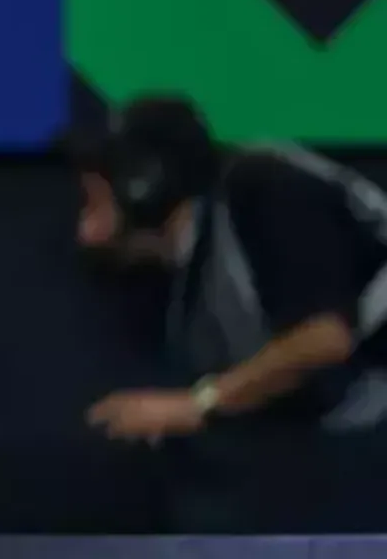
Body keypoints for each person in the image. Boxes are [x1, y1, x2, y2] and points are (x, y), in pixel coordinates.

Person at [72, 95, 387, 533]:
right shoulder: (187, 282)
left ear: (143, 185)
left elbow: (324, 338)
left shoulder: (264, 186)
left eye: (93, 201)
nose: (83, 231)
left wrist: (197, 404)